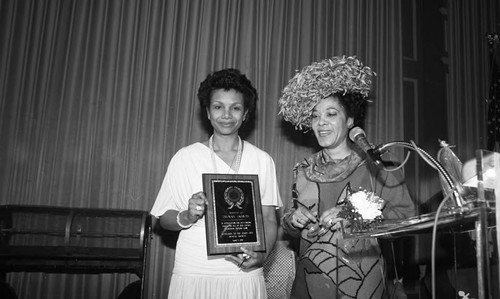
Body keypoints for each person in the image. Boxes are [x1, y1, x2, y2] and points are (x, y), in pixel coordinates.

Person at [278, 56, 415, 298]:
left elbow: (405, 217)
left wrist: (352, 213)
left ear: (350, 119)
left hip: (363, 281)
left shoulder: (377, 165)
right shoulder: (304, 170)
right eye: (314, 116)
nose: (321, 123)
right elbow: (289, 225)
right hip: (310, 280)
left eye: (330, 114)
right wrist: (294, 220)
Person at [150, 68, 282, 299]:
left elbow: (269, 218)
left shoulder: (262, 160)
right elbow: (164, 219)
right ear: (208, 112)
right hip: (194, 271)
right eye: (218, 106)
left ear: (246, 114)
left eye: (236, 108)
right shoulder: (185, 157)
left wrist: (263, 255)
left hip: (244, 272)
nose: (227, 115)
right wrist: (187, 216)